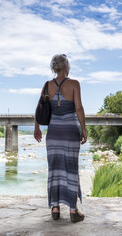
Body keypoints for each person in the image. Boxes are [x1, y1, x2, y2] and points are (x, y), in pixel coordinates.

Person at [34, 54, 87, 223]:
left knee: (54, 169)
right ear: (66, 67)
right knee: (71, 168)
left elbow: (38, 108)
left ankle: (55, 208)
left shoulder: (47, 85)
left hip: (53, 134)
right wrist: (84, 129)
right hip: (70, 132)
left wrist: (36, 128)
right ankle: (73, 210)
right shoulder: (74, 84)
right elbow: (78, 108)